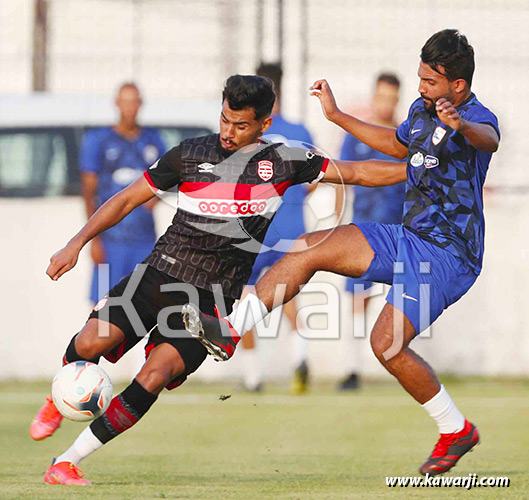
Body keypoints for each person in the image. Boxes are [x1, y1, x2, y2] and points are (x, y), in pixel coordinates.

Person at [30, 74, 405, 485]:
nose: (228, 131)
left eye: (240, 125)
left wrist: (415, 170)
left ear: (264, 124)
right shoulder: (189, 154)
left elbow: (359, 172)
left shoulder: (284, 161)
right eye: (225, 119)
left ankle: (67, 461)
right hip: (159, 274)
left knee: (153, 377)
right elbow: (125, 199)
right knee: (89, 343)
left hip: (210, 301)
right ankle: (59, 395)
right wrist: (76, 243)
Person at [181, 30, 500, 476]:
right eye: (420, 78)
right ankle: (231, 331)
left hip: (448, 255)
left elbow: (489, 140)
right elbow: (397, 144)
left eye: (430, 81)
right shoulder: (421, 110)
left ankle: (456, 430)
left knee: (386, 345)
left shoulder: (477, 118)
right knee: (310, 247)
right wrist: (337, 117)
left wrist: (461, 126)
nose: (421, 87)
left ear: (458, 86)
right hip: (408, 237)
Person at [240, 62, 327, 394]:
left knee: (245, 297)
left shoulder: (248, 130)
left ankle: (252, 377)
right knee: (289, 295)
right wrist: (295, 196)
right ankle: (299, 359)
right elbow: (318, 176)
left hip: (253, 227)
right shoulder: (299, 131)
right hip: (290, 224)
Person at [338, 72, 405, 391]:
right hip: (363, 230)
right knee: (358, 297)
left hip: (400, 231)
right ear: (373, 97)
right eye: (381, 97)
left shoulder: (406, 138)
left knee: (405, 296)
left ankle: (402, 363)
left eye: (392, 98)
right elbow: (341, 177)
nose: (386, 104)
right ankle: (353, 368)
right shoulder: (358, 137)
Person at [80, 82, 166, 304]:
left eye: (134, 102)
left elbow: (171, 175)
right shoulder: (99, 140)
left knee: (146, 303)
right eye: (125, 102)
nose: (130, 108)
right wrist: (94, 239)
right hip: (110, 238)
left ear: (140, 104)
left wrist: (157, 196)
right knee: (103, 305)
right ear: (117, 104)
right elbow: (89, 191)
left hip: (144, 238)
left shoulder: (153, 139)